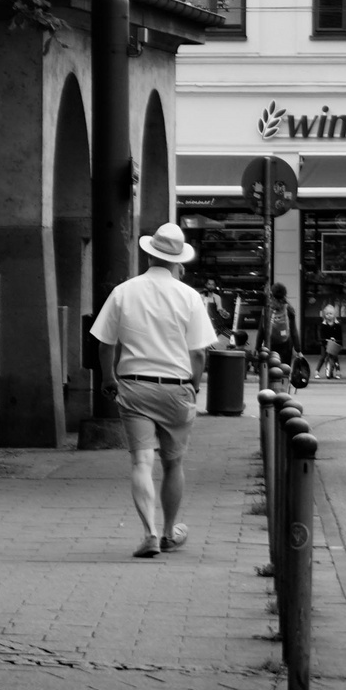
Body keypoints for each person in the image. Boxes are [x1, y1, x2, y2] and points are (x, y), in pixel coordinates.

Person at [89, 222, 216, 559]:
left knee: (141, 463)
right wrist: (195, 385)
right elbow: (199, 352)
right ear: (179, 261)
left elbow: (104, 343)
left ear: (148, 253)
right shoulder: (189, 296)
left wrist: (108, 378)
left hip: (134, 388)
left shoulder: (124, 291)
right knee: (173, 464)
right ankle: (171, 532)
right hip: (176, 389)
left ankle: (150, 533)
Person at [257, 282, 298, 367]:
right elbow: (294, 331)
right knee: (285, 369)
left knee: (272, 369)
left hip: (270, 344)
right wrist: (298, 349)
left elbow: (261, 330)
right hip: (286, 345)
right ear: (285, 294)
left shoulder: (267, 309)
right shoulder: (289, 309)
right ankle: (285, 380)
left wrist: (257, 348)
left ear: (271, 294)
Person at [316, 302, 343, 379]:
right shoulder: (323, 325)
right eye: (327, 314)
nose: (329, 315)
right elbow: (321, 335)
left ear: (334, 314)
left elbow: (340, 336)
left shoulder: (337, 325)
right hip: (325, 343)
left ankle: (338, 372)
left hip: (334, 344)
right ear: (324, 315)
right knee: (323, 356)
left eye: (331, 313)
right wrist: (324, 340)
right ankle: (317, 371)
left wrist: (337, 341)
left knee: (335, 357)